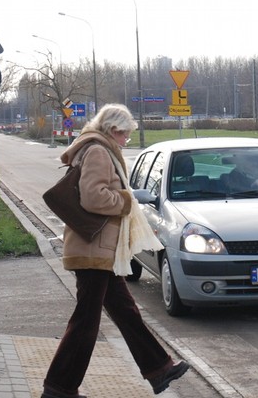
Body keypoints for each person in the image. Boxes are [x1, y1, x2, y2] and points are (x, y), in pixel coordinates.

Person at [42, 104, 188, 398]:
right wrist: (127, 199)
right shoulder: (98, 150)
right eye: (125, 136)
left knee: (126, 313)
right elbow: (93, 197)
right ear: (114, 130)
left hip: (101, 250)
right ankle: (59, 388)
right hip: (93, 250)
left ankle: (159, 369)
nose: (126, 141)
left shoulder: (99, 147)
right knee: (86, 323)